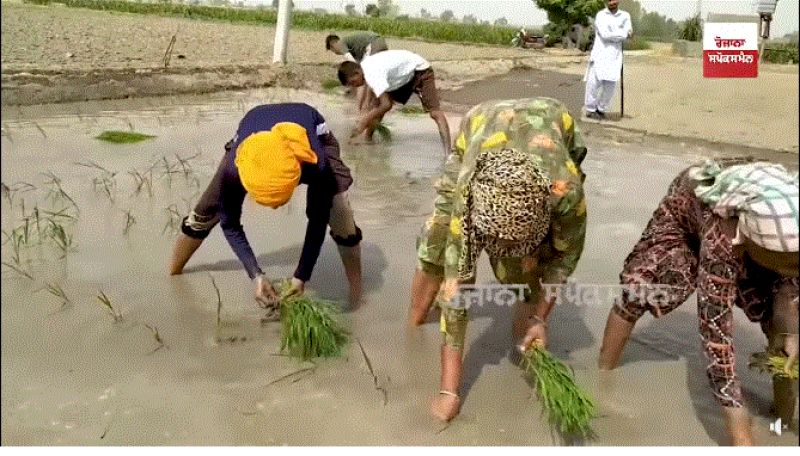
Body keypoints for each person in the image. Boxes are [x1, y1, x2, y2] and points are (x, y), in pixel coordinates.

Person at [410, 98, 588, 421]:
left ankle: (527, 336)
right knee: (435, 245)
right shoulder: (467, 204)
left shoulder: (566, 192)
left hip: (553, 117)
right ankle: (414, 322)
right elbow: (457, 292)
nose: (503, 251)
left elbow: (564, 257)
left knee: (529, 271)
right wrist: (448, 391)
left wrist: (541, 318)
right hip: (480, 123)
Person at [598, 158, 799, 445]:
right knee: (643, 289)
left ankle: (781, 419)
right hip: (689, 210)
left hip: (768, 231)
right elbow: (715, 333)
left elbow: (790, 294)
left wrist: (791, 331)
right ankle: (602, 377)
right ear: (749, 244)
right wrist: (735, 413)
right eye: (788, 266)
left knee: (781, 326)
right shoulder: (723, 240)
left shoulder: (791, 232)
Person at [168, 103, 363, 311]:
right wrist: (256, 276)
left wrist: (301, 276)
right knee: (204, 212)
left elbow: (317, 220)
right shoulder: (235, 168)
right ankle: (173, 275)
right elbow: (229, 223)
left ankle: (357, 292)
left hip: (315, 134)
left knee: (340, 213)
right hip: (253, 136)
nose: (275, 210)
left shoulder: (316, 163)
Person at [337, 50, 452, 155]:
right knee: (376, 107)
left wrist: (364, 120)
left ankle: (448, 154)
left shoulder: (372, 73)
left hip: (419, 71)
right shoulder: (365, 68)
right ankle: (368, 140)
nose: (354, 86)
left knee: (435, 113)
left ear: (357, 73)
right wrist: (363, 118)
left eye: (353, 82)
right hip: (400, 78)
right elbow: (373, 103)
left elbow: (386, 105)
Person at [583, 0, 632, 120]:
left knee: (610, 87)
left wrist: (620, 34)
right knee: (593, 84)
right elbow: (605, 34)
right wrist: (622, 34)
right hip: (600, 54)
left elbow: (629, 33)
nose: (611, 2)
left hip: (614, 57)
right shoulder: (601, 15)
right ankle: (590, 109)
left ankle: (601, 109)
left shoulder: (625, 16)